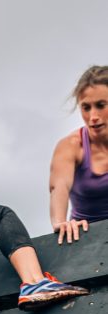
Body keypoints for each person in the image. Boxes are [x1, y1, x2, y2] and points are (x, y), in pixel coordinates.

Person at [49, 65, 108, 244]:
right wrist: (60, 222)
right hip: (86, 240)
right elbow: (58, 187)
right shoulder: (71, 146)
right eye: (86, 107)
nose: (93, 116)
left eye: (100, 105)